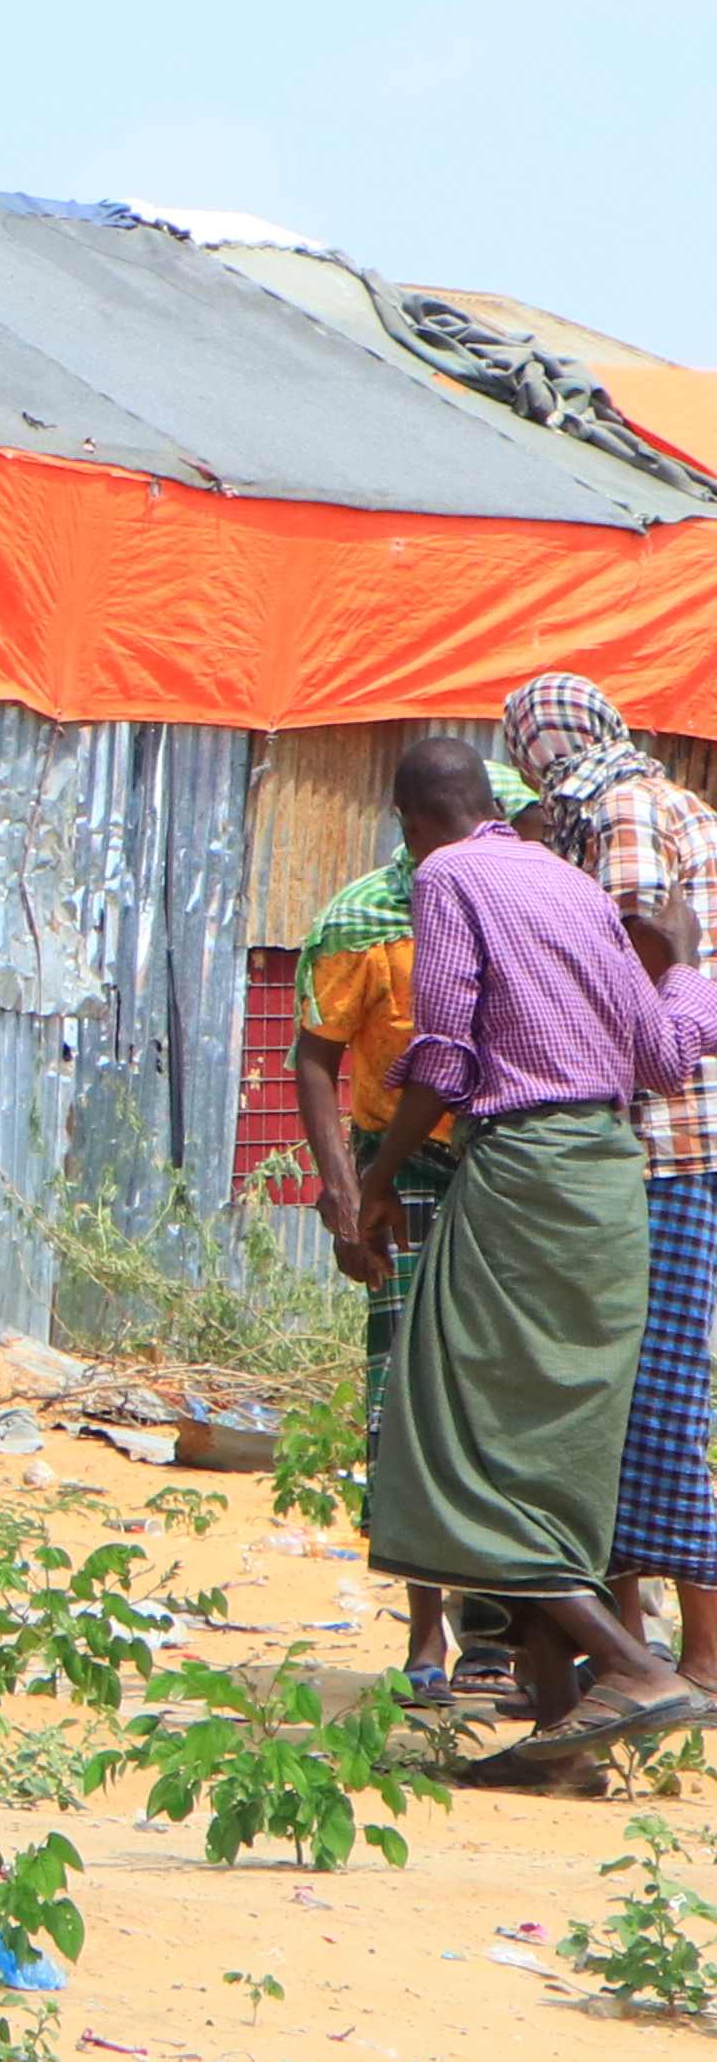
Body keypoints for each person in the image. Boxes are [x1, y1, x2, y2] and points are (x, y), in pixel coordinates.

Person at [359, 733, 717, 1759]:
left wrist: (379, 1181)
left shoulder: (449, 875)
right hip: (610, 1178)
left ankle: (632, 1665)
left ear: (409, 821)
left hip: (522, 1170)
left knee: (456, 1431)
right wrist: (685, 966)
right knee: (557, 1446)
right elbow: (662, 1057)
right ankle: (562, 1724)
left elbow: (441, 1048)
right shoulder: (571, 883)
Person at [507, 676, 717, 1661]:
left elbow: (638, 940)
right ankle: (631, 1649)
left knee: (649, 1401)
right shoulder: (666, 801)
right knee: (632, 1397)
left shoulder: (620, 806)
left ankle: (696, 1661)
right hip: (669, 1136)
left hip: (663, 1143)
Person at [289, 823, 467, 1694]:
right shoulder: (365, 926)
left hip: (509, 1164)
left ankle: (510, 1635)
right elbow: (316, 1057)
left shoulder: (529, 902)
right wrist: (347, 1193)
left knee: (498, 1398)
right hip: (406, 1174)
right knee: (401, 1395)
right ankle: (427, 1636)